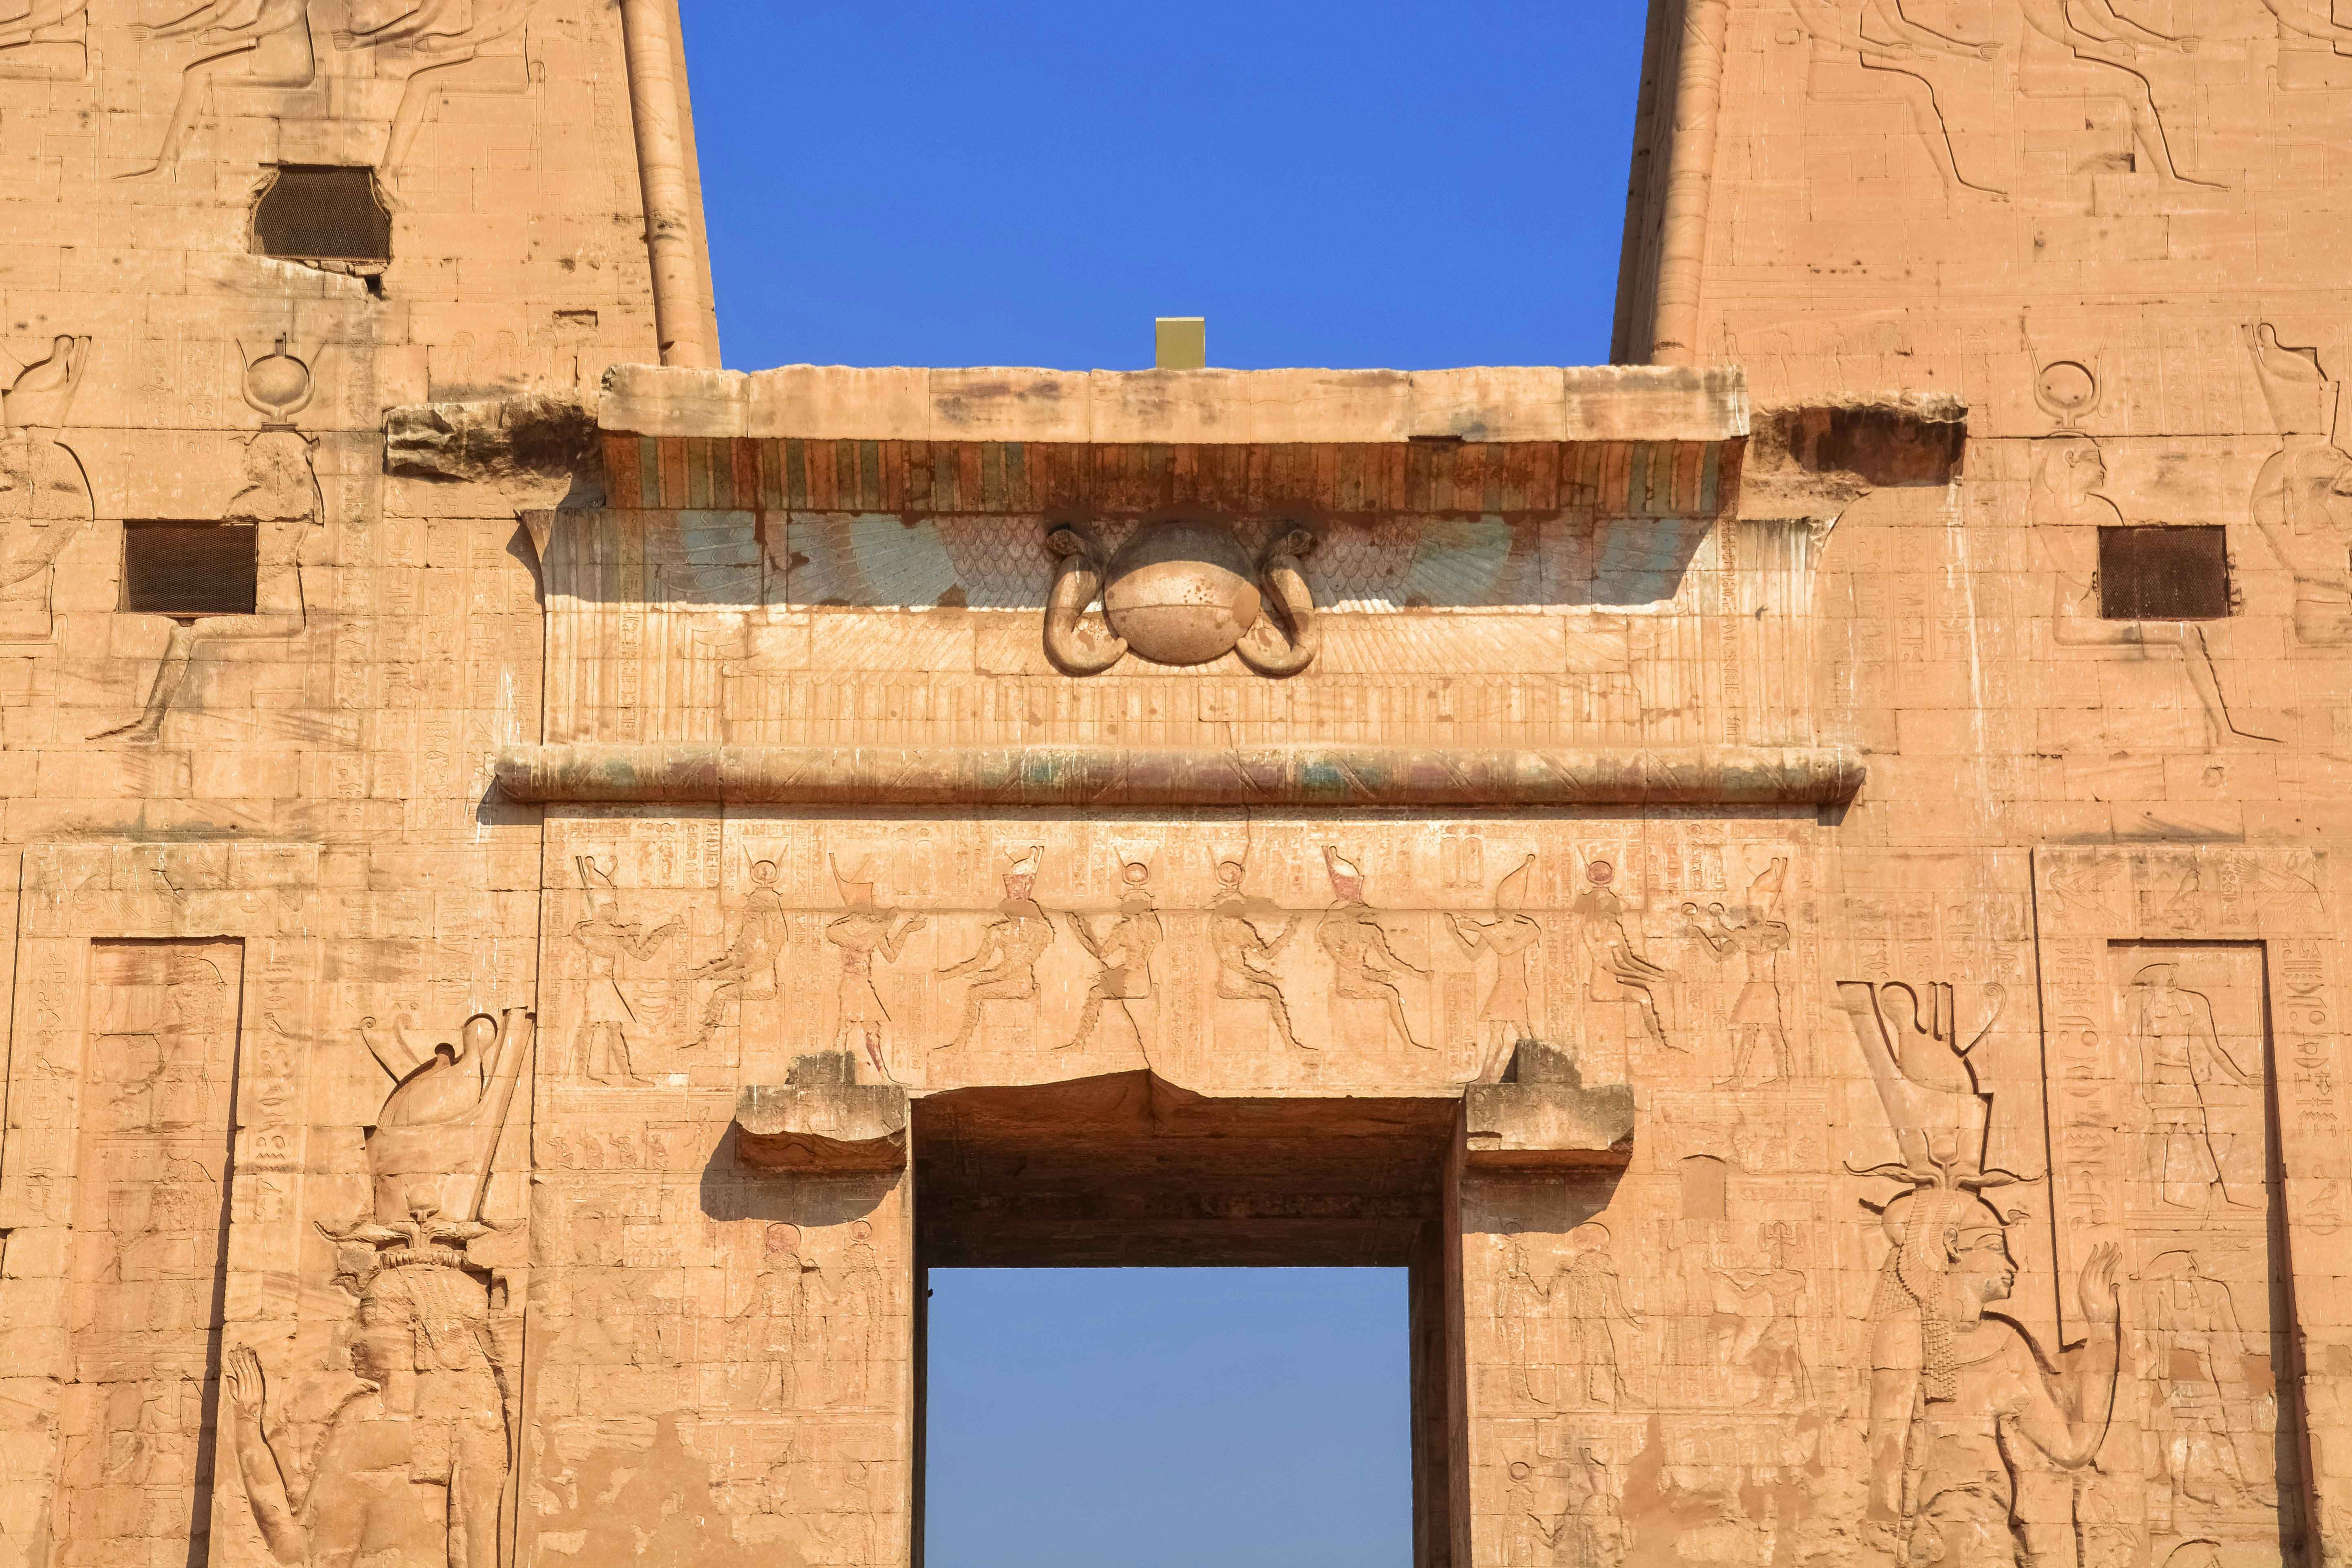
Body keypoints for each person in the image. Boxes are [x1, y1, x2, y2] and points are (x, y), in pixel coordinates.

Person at [1864, 1187, 2120, 1568]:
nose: (2012, 1264)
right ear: (1951, 1245)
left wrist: (2102, 1328)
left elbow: (2072, 1449)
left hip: (1993, 1532)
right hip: (1932, 1536)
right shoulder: (1904, 1333)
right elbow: (1886, 1465)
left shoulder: (2007, 1343)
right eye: (1995, 1247)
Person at [938, 847, 1052, 1050]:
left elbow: (1018, 967)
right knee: (976, 990)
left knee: (975, 994)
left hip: (1020, 985)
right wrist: (947, 975)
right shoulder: (998, 932)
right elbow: (978, 961)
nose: (1015, 916)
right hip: (1006, 979)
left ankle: (961, 1043)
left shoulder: (1038, 933)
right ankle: (961, 1043)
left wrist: (986, 977)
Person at [1316, 848, 1429, 1049]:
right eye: (1354, 910)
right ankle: (1407, 1045)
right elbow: (1347, 966)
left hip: (1363, 979)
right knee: (1391, 994)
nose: (1359, 914)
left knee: (1390, 990)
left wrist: (1419, 974)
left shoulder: (1370, 932)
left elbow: (1389, 959)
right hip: (1349, 985)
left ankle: (1407, 1044)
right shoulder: (1330, 932)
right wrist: (1378, 977)